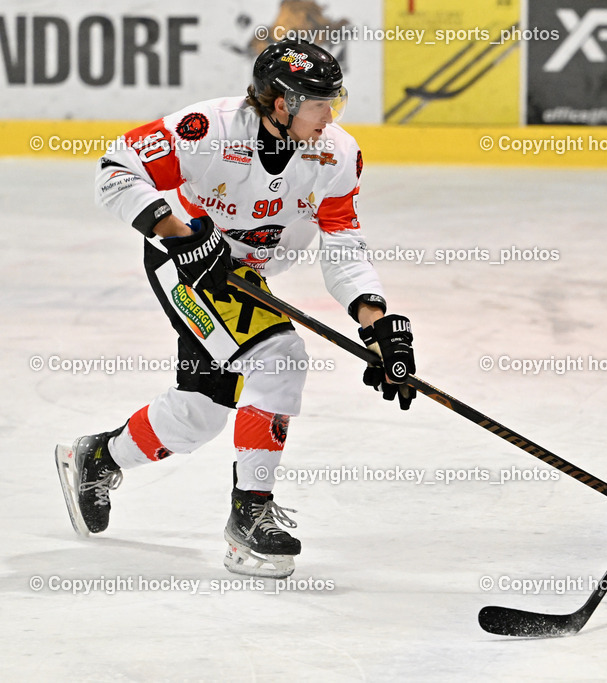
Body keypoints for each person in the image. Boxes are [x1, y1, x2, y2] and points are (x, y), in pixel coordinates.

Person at [55, 40, 416, 578]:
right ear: (280, 104)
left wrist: (376, 323)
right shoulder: (209, 130)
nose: (330, 116)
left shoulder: (336, 153)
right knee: (279, 356)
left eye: (333, 102)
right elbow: (116, 169)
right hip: (187, 262)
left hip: (244, 276)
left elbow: (343, 244)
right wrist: (180, 236)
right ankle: (250, 516)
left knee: (201, 412)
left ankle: (98, 457)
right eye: (319, 104)